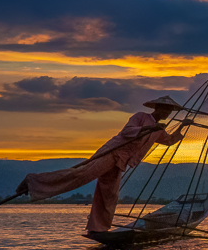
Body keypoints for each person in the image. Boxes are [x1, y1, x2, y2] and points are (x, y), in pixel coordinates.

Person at [17, 96, 188, 235]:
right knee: (82, 174)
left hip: (122, 160)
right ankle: (33, 181)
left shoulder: (159, 129)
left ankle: (98, 228)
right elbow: (127, 132)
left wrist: (182, 127)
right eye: (164, 109)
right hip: (112, 152)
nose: (166, 113)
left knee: (109, 193)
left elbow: (169, 141)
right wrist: (148, 129)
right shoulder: (141, 117)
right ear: (156, 108)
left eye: (169, 110)